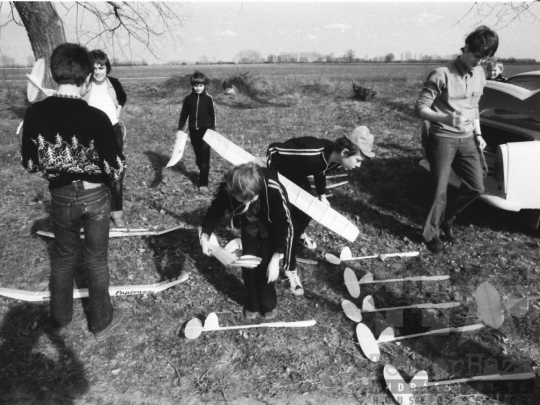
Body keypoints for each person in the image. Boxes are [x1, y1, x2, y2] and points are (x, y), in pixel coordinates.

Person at [21, 43, 127, 340]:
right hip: (95, 197)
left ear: (54, 77)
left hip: (60, 197)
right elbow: (117, 168)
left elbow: (30, 163)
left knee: (64, 257)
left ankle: (60, 319)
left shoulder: (35, 114)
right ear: (85, 79)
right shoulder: (96, 117)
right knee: (95, 259)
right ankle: (101, 323)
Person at [415, 26, 499, 253]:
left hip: (467, 138)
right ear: (467, 48)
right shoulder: (441, 74)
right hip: (442, 138)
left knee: (476, 186)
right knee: (438, 189)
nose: (480, 63)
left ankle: (445, 220)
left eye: (485, 59)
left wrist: (478, 134)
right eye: (477, 57)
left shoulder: (480, 74)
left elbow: (474, 107)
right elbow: (420, 108)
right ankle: (430, 234)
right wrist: (445, 117)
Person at [267, 127, 375, 295]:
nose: (358, 165)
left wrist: (322, 195)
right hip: (280, 173)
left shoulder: (333, 158)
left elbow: (320, 170)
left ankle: (298, 236)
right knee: (291, 225)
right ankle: (289, 269)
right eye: (358, 160)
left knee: (309, 210)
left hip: (297, 173)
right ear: (345, 152)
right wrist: (271, 180)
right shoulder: (313, 153)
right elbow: (274, 149)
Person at [200, 162, 294, 320]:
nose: (246, 204)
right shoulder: (229, 186)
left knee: (265, 264)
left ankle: (268, 303)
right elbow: (215, 210)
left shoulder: (273, 189)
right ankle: (252, 303)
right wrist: (205, 236)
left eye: (250, 199)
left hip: (270, 225)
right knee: (247, 263)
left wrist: (275, 258)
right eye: (241, 199)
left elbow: (283, 225)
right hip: (248, 222)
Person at [84, 49, 128, 228]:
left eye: (101, 67)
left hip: (113, 131)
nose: (98, 71)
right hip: (91, 134)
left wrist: (118, 111)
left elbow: (122, 98)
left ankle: (117, 214)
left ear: (106, 67)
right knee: (94, 171)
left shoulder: (114, 84)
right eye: (94, 68)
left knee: (116, 172)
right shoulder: (84, 85)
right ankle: (94, 210)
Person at [177, 72, 216, 193]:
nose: (198, 88)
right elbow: (184, 114)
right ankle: (203, 167)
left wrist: (213, 129)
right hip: (194, 131)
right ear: (192, 86)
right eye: (195, 85)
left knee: (205, 157)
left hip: (206, 131)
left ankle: (203, 182)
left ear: (204, 85)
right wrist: (180, 129)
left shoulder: (208, 99)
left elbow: (212, 115)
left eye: (200, 85)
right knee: (199, 157)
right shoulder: (188, 99)